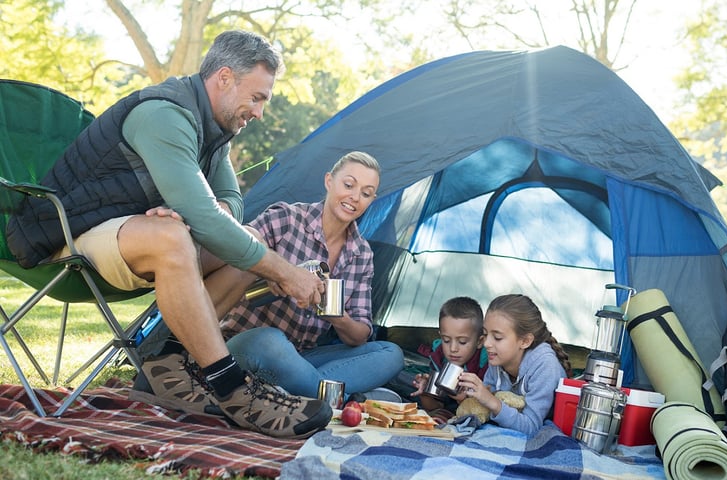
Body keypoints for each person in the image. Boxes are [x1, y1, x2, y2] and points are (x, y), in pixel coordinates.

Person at [5, 30, 332, 439]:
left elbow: (230, 203)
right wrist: (284, 272)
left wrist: (195, 212)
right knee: (174, 237)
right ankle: (232, 388)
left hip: (125, 234)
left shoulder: (213, 131)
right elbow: (208, 220)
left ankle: (168, 361)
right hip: (66, 238)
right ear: (225, 78)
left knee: (246, 239)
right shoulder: (165, 114)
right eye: (258, 97)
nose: (260, 112)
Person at [206, 151, 404, 401]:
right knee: (271, 340)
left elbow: (361, 334)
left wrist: (338, 317)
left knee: (391, 353)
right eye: (348, 184)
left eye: (365, 193)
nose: (354, 197)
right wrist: (272, 272)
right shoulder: (287, 218)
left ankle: (295, 391)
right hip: (247, 344)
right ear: (329, 181)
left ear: (372, 200)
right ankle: (339, 398)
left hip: (301, 357)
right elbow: (238, 245)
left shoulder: (361, 254)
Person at [457, 294, 573, 437]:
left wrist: (491, 401)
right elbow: (484, 408)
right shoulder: (497, 357)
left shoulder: (545, 367)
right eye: (486, 334)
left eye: (497, 337)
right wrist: (468, 397)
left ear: (525, 341)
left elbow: (530, 426)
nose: (487, 343)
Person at [410, 296, 487, 419]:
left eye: (462, 342)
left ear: (480, 341)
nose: (453, 349)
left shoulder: (485, 365)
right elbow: (434, 408)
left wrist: (465, 400)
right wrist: (425, 392)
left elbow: (486, 411)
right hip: (448, 412)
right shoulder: (439, 358)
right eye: (446, 340)